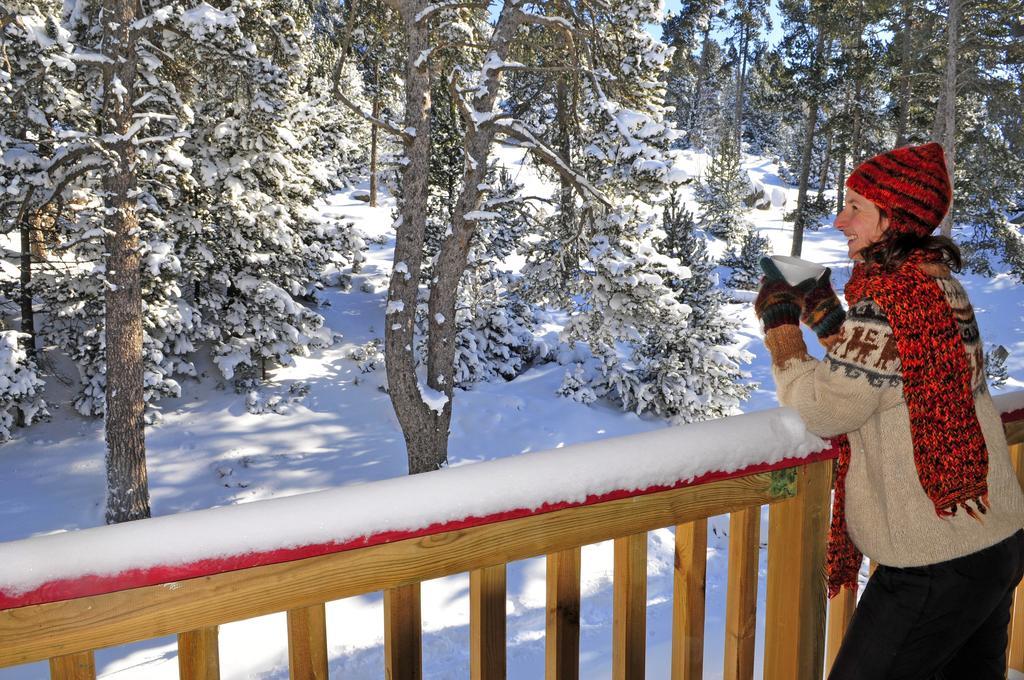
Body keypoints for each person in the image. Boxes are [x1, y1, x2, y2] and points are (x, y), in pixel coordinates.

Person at [754, 142, 1024, 679]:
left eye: (855, 206)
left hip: (935, 559)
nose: (839, 219)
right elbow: (891, 370)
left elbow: (827, 409)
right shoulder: (935, 286)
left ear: (892, 219)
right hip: (991, 536)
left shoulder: (889, 304)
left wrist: (782, 328)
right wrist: (829, 314)